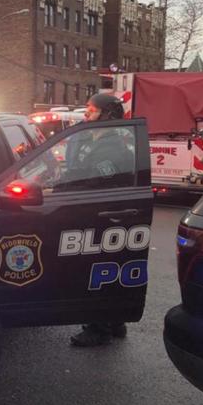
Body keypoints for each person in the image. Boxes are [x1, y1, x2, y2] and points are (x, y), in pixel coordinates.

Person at [70, 93, 132, 347]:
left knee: (97, 272)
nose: (86, 114)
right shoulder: (96, 141)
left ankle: (98, 329)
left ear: (106, 115)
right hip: (105, 215)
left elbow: (93, 180)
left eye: (91, 110)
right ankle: (115, 321)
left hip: (103, 216)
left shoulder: (111, 148)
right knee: (110, 270)